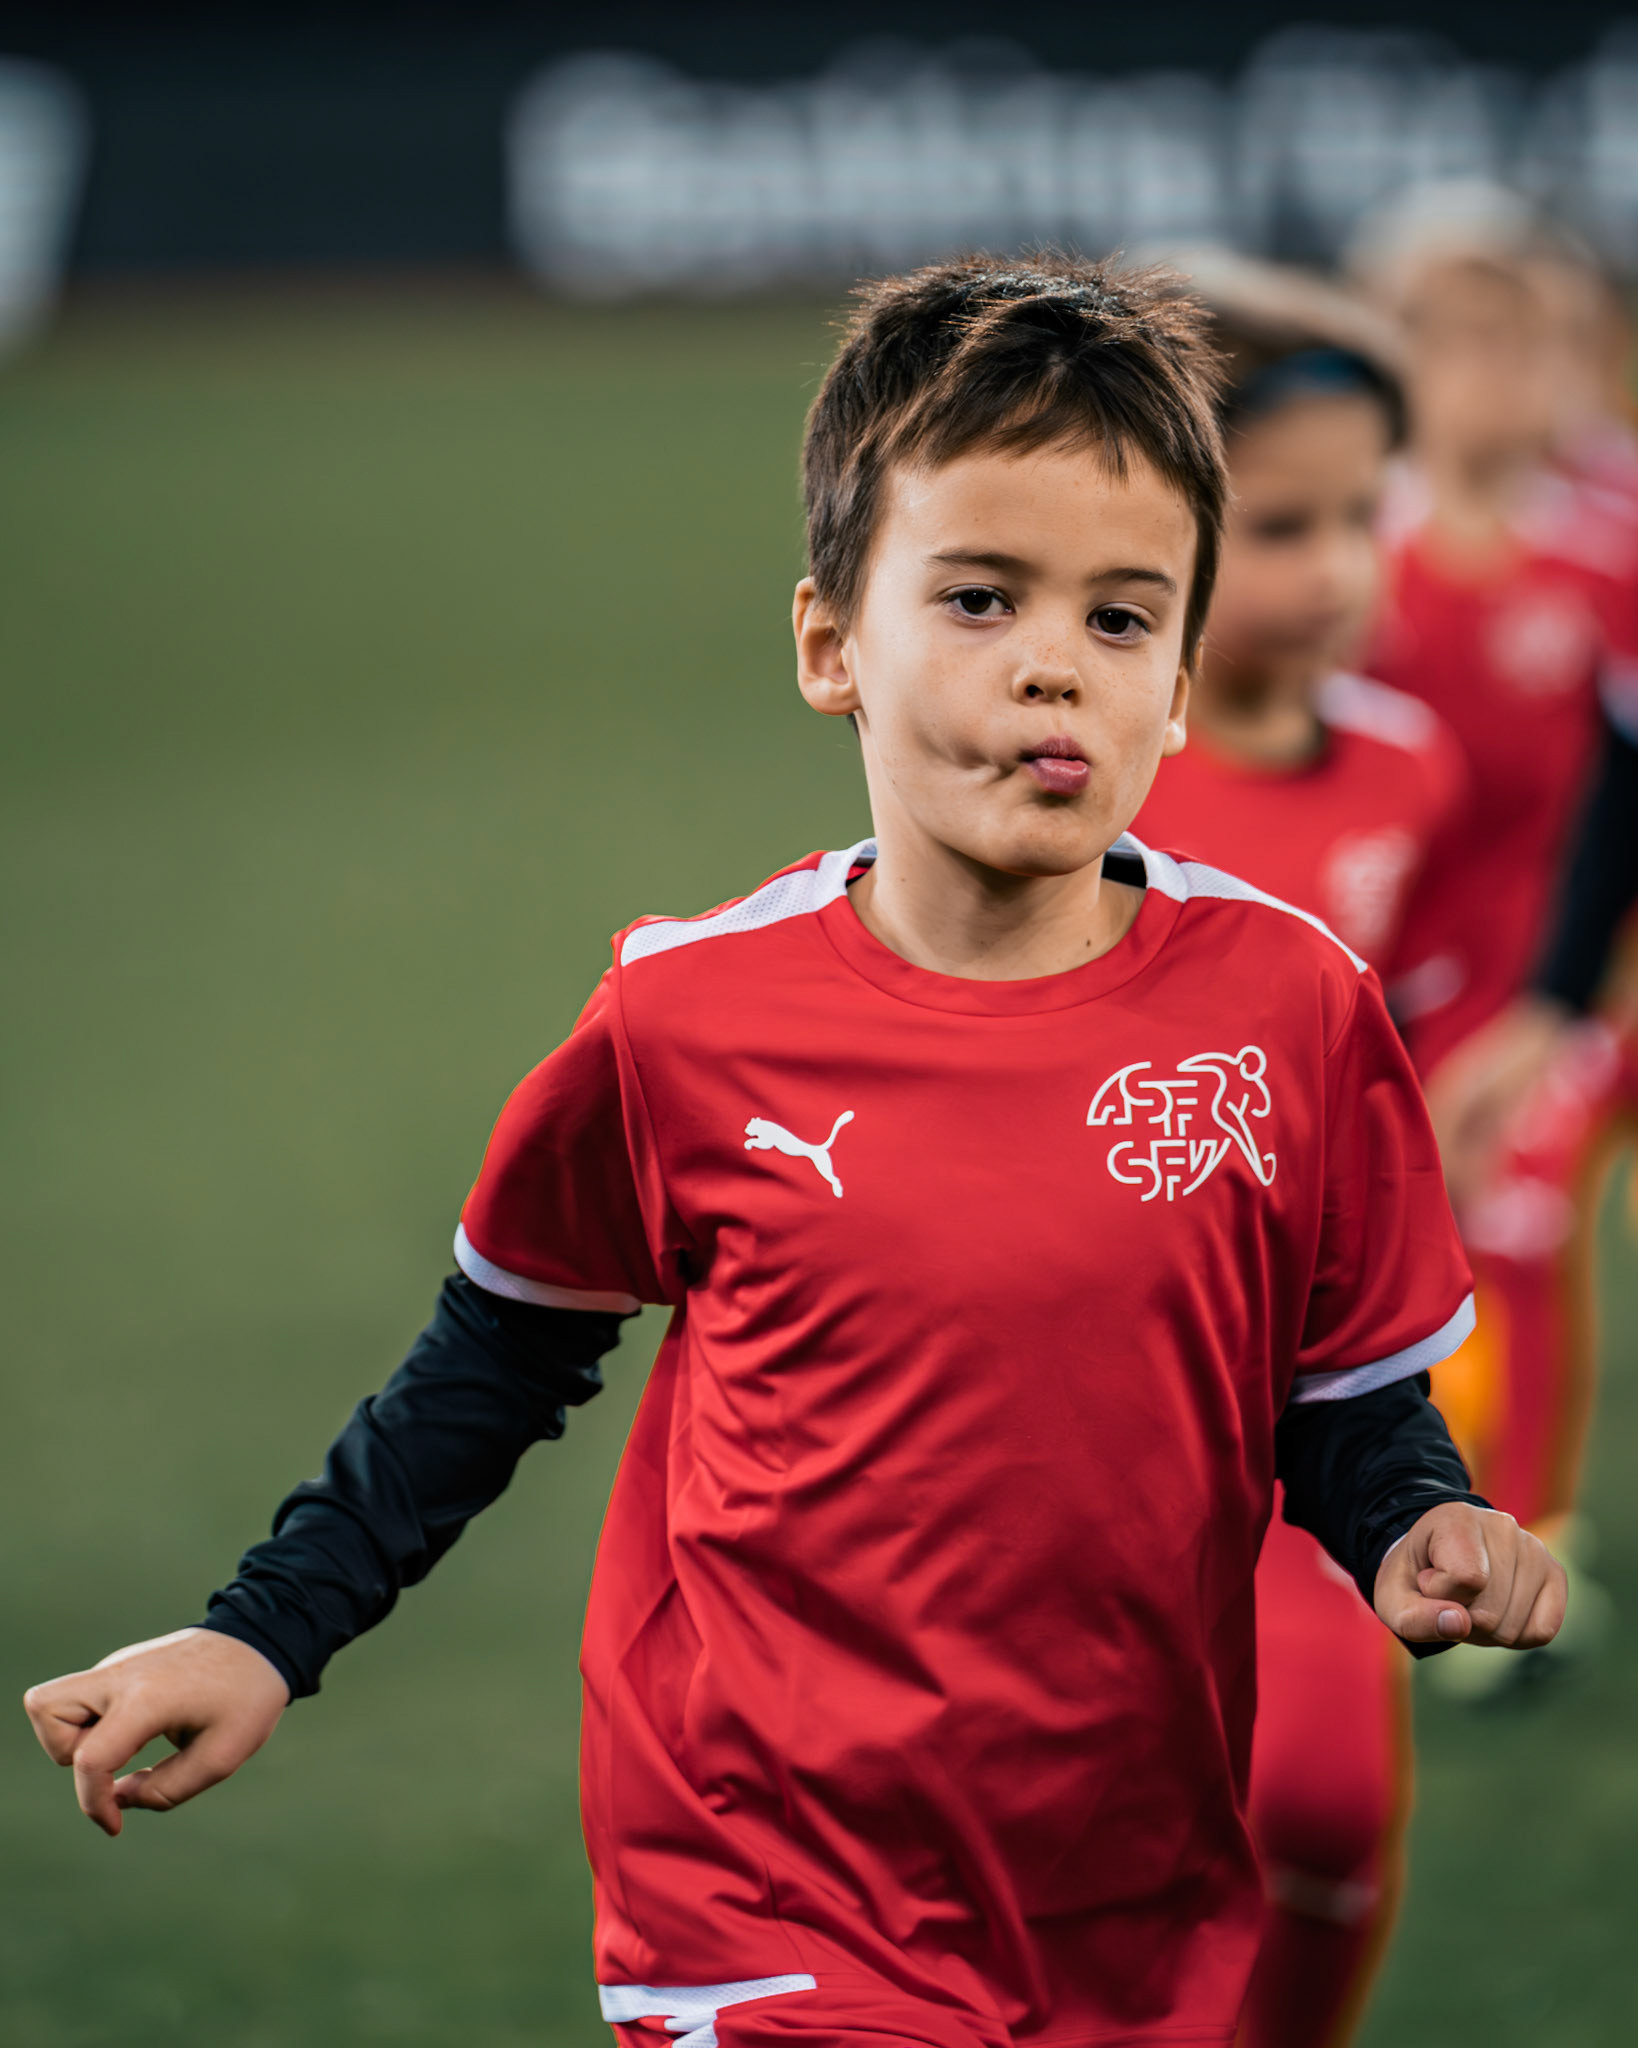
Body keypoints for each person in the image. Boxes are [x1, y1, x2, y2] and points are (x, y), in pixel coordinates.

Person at [22, 257, 1566, 2048]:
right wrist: (261, 1633)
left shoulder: (1294, 1007)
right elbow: (496, 1355)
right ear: (833, 643)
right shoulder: (689, 1017)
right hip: (762, 1892)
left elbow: (1336, 1391)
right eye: (979, 597)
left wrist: (1416, 1520)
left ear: (1181, 673)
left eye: (1123, 618)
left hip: (1120, 1893)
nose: (1053, 663)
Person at [1131, 255, 1463, 2048]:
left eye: (1362, 516)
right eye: (1279, 525)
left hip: (1308, 1401)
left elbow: (1387, 1032)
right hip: (1092, 1415)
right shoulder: (1076, 784)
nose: (1335, 568)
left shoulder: (1404, 770)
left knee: (1329, 1807)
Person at [1350, 192, 1638, 1572]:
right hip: (1422, 982)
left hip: (1574, 979)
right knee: (1416, 1229)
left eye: (1515, 340)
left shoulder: (1608, 550)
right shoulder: (1342, 562)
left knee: (1517, 1195)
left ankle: (1524, 1539)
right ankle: (1462, 1535)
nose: (1487, 372)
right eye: (1450, 338)